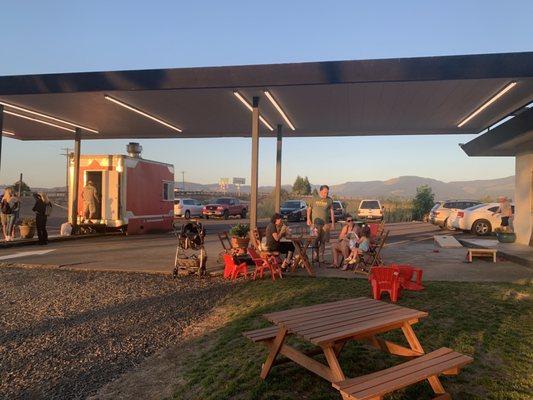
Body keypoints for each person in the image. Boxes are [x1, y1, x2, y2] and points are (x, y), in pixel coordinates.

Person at [306, 185, 335, 263]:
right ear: (320, 191)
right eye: (325, 192)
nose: (326, 194)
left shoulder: (329, 200)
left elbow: (332, 211)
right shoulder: (314, 199)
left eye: (327, 192)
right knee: (314, 240)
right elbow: (309, 209)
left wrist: (332, 223)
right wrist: (308, 219)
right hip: (314, 224)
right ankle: (316, 256)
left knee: (323, 241)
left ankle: (322, 257)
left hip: (325, 225)